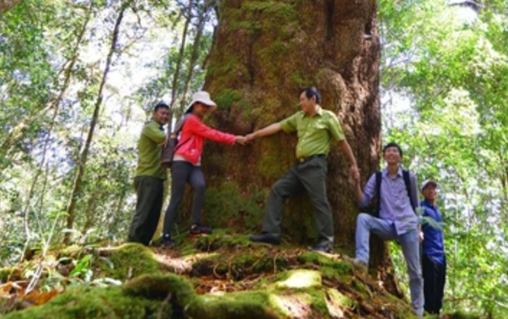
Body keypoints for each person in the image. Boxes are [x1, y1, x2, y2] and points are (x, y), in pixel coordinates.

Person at [246, 87, 359, 253]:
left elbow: (341, 142)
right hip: (299, 167)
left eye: (302, 100)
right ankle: (271, 233)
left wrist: (353, 164)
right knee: (278, 190)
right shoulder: (299, 117)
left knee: (319, 201)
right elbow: (278, 126)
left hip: (315, 165)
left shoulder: (328, 117)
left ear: (313, 99)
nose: (300, 103)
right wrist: (254, 135)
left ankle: (326, 243)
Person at [159, 91, 246, 247]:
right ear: (195, 105)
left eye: (207, 106)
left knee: (200, 186)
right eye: (203, 105)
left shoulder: (194, 120)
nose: (205, 108)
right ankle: (165, 235)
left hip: (194, 163)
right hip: (181, 161)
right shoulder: (191, 120)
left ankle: (195, 225)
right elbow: (211, 133)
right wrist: (234, 138)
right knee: (176, 198)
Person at [353, 142, 423, 317]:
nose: (391, 154)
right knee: (363, 219)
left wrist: (419, 229)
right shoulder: (377, 178)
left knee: (415, 271)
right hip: (388, 225)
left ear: (400, 156)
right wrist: (356, 183)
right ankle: (361, 260)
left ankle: (418, 313)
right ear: (384, 156)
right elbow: (363, 202)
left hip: (408, 226)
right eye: (388, 151)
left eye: (395, 151)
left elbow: (416, 205)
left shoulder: (409, 177)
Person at [126, 102, 171, 246]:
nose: (165, 116)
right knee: (143, 211)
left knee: (154, 213)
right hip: (147, 176)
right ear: (154, 114)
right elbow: (165, 140)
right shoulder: (150, 127)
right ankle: (132, 243)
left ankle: (143, 244)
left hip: (157, 177)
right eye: (162, 113)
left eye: (167, 114)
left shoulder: (159, 129)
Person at [420, 179, 446, 315]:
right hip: (429, 253)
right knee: (430, 286)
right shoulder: (421, 208)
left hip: (441, 254)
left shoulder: (437, 210)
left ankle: (437, 313)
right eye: (428, 188)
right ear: (423, 192)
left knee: (440, 286)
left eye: (433, 188)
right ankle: (429, 313)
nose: (431, 191)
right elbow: (416, 223)